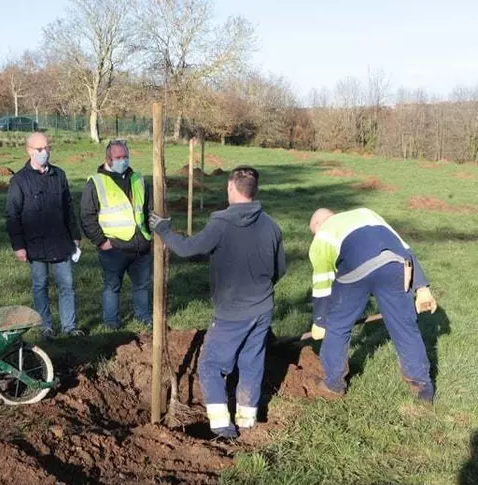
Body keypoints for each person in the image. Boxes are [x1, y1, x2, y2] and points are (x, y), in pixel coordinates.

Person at [149, 166, 286, 440]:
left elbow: (187, 249)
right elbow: (279, 270)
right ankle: (247, 421)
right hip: (262, 309)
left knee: (211, 364)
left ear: (231, 189)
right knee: (251, 362)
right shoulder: (271, 225)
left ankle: (222, 428)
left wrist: (164, 229)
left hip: (232, 311)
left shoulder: (221, 223)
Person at [307, 207, 438, 402]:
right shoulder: (367, 213)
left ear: (317, 225)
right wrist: (421, 287)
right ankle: (423, 390)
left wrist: (320, 321)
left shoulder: (322, 236)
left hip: (354, 270)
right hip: (395, 265)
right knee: (404, 326)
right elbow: (405, 248)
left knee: (338, 326)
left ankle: (333, 384)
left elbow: (323, 288)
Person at [6, 132, 84, 340]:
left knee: (67, 285)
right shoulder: (19, 180)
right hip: (35, 244)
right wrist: (18, 246)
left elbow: (68, 207)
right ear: (29, 151)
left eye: (47, 148)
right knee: (40, 286)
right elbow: (12, 214)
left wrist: (75, 235)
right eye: (39, 149)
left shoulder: (59, 175)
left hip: (61, 242)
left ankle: (69, 327)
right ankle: (46, 327)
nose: (44, 152)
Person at [80, 140, 153, 330]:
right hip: (114, 247)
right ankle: (111, 323)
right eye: (118, 158)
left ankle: (144, 318)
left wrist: (150, 237)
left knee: (142, 285)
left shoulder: (138, 179)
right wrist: (101, 242)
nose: (123, 161)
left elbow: (148, 210)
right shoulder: (96, 182)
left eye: (125, 157)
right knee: (112, 287)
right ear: (108, 159)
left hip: (140, 244)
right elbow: (87, 216)